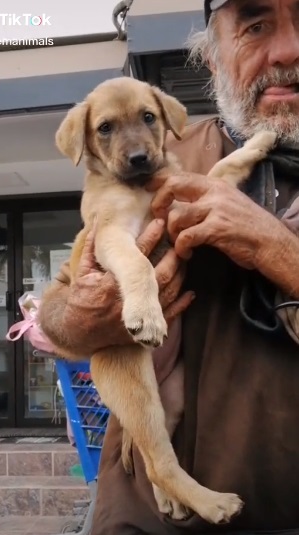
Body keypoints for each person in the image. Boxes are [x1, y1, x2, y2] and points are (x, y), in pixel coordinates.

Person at [39, 0, 299, 532]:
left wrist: (279, 252)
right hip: (142, 521)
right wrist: (82, 316)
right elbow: (58, 315)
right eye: (254, 26)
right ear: (212, 57)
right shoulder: (179, 151)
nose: (288, 49)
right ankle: (166, 478)